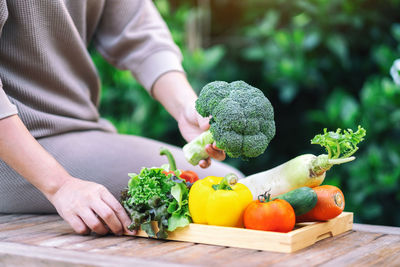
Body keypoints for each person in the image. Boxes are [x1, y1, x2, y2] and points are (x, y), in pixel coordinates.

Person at [0, 1, 239, 236]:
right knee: (229, 194)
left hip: (77, 134)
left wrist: (186, 106)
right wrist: (60, 186)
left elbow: (138, 29)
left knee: (234, 190)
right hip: (13, 152)